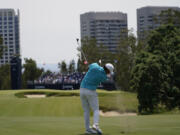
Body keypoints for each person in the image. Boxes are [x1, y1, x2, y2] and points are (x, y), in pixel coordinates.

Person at [80, 63, 114, 134]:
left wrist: (91, 66)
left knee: (86, 111)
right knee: (96, 109)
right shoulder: (104, 77)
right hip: (91, 91)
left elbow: (89, 66)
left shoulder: (95, 65)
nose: (109, 73)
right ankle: (95, 125)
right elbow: (105, 75)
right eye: (109, 72)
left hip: (82, 89)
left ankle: (87, 129)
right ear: (107, 71)